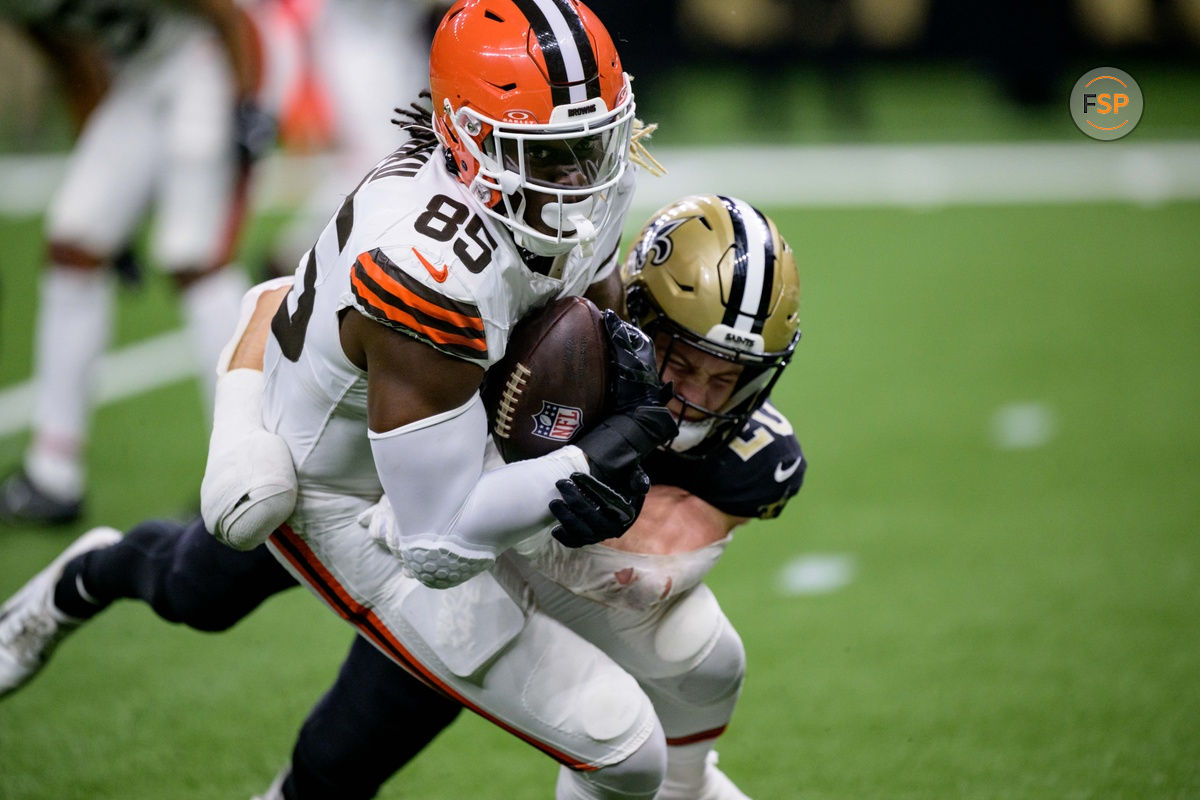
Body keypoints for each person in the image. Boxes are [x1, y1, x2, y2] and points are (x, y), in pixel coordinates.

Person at [0, 193, 804, 799]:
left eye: (725, 376)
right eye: (681, 360)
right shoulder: (551, 324)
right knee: (195, 588)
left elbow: (636, 572)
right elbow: (286, 299)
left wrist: (597, 519)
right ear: (634, 314)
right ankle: (86, 577)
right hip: (359, 494)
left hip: (466, 570)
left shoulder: (750, 457)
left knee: (343, 764)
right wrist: (244, 425)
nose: (696, 394)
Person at [0, 0, 269, 525]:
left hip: (206, 59)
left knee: (196, 257)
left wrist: (247, 104)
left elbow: (230, 17)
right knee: (75, 240)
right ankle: (53, 471)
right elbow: (73, 64)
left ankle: (246, 470)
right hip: (140, 78)